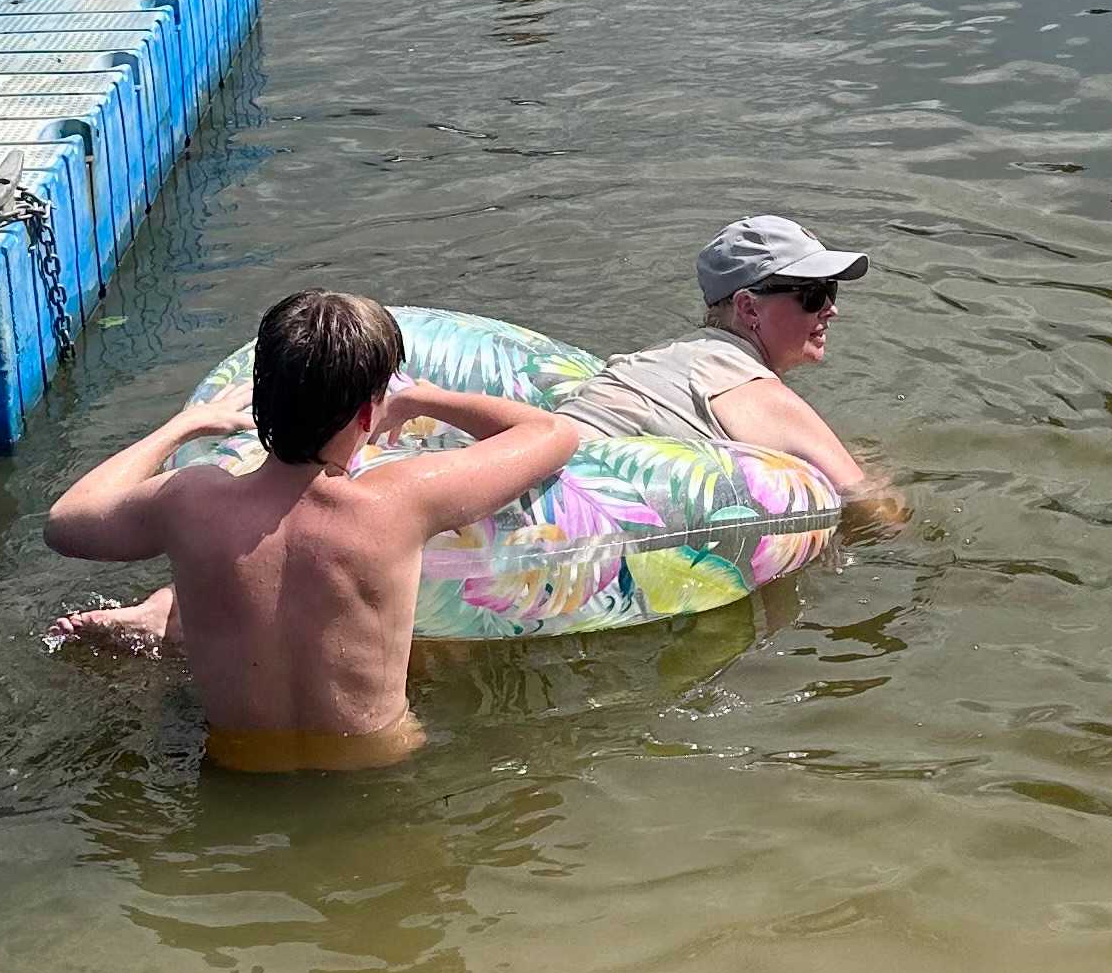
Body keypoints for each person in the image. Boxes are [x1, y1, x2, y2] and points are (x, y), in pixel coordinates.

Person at [43, 288, 579, 771]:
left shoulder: (190, 501)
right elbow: (552, 432)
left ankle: (169, 615)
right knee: (438, 645)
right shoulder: (400, 501)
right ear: (368, 414)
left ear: (260, 398)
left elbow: (67, 523)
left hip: (236, 767)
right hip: (378, 767)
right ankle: (169, 614)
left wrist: (184, 424)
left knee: (220, 586)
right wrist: (419, 399)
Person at [559, 216, 876, 495]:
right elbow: (879, 512)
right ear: (749, 307)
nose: (831, 309)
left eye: (830, 289)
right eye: (812, 295)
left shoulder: (664, 355)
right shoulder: (757, 393)